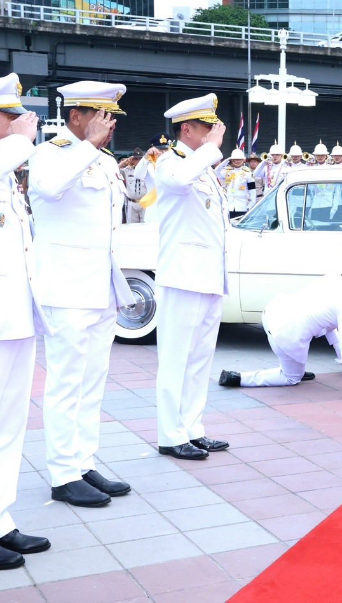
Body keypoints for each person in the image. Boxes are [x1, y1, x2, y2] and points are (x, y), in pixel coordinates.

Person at [29, 81, 134, 508]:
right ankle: (61, 473)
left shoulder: (103, 160)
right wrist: (87, 147)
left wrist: (93, 149)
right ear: (76, 116)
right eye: (101, 116)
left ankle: (82, 462)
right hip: (66, 288)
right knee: (66, 383)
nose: (108, 126)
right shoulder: (48, 155)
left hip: (100, 286)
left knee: (92, 382)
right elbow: (49, 189)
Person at [155, 93, 230, 461]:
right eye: (207, 126)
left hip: (208, 276)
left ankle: (192, 428)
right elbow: (182, 180)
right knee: (176, 358)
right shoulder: (170, 163)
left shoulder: (204, 169)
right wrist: (211, 149)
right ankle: (170, 434)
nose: (215, 132)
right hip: (183, 276)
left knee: (200, 358)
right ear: (187, 129)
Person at [0, 75, 51, 567]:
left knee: (10, 425)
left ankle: (1, 518)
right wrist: (19, 142)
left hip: (15, 317)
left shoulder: (8, 173)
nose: (19, 125)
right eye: (9, 116)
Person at [219, 266, 342, 399]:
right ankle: (238, 378)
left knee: (297, 365)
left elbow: (330, 323)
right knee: (291, 378)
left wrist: (339, 353)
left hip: (272, 313)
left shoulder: (334, 278)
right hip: (284, 333)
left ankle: (295, 368)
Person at [215, 148, 256, 218]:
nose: (237, 161)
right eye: (235, 159)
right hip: (229, 206)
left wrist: (250, 206)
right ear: (232, 160)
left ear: (243, 160)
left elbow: (252, 191)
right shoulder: (227, 171)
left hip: (242, 207)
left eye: (239, 159)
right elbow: (216, 172)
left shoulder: (248, 173)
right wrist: (225, 162)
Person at [119, 148, 147, 223]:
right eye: (135, 159)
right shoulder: (127, 170)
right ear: (132, 159)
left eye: (140, 159)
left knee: (146, 225)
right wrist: (123, 163)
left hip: (145, 202)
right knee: (131, 226)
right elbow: (114, 171)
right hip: (132, 202)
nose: (137, 161)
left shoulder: (147, 170)